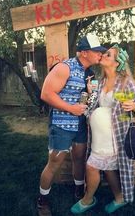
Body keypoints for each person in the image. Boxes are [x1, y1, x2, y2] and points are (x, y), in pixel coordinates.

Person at [37, 33, 107, 216]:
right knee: (54, 162)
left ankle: (78, 190)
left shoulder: (90, 73)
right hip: (61, 124)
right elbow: (46, 94)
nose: (100, 54)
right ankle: (42, 200)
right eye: (96, 51)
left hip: (80, 125)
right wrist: (70, 108)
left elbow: (89, 101)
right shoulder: (64, 67)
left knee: (79, 157)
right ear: (84, 52)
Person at [70, 44, 135, 214]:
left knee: (91, 166)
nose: (103, 55)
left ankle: (87, 200)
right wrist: (89, 93)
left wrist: (134, 105)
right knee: (109, 168)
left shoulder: (125, 82)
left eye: (108, 55)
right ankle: (119, 198)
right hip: (98, 137)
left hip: (113, 137)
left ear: (117, 63)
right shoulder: (100, 81)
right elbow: (90, 105)